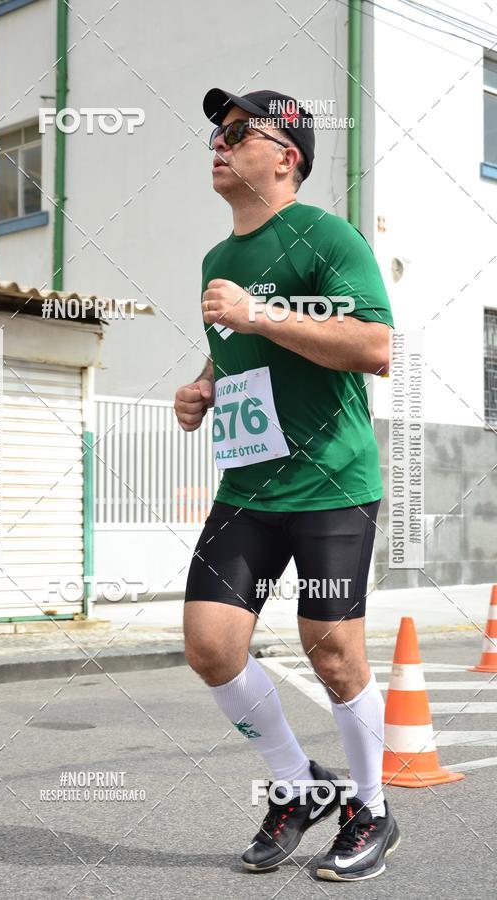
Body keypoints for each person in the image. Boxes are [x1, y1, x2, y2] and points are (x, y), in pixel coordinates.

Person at [174, 88, 400, 882]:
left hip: (333, 481)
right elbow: (235, 351)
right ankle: (299, 787)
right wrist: (202, 384)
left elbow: (374, 345)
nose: (219, 142)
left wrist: (261, 315)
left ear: (286, 156)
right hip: (248, 486)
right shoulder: (216, 260)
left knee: (332, 653)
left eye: (237, 132)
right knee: (210, 645)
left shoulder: (325, 236)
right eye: (215, 132)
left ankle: (371, 808)